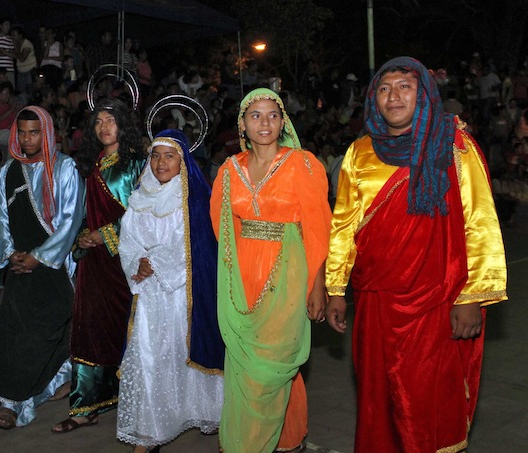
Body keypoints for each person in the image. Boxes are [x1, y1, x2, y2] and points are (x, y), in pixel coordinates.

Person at [325, 56, 508, 453]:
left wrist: (472, 297)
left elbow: (479, 221)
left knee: (425, 402)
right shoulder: (359, 152)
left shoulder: (454, 146)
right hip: (374, 301)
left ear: (423, 94)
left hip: (434, 301)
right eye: (384, 89)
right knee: (378, 399)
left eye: (404, 87)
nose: (393, 96)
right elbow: (344, 225)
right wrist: (336, 288)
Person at [209, 88, 331, 453]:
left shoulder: (303, 165)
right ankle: (288, 437)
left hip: (287, 277)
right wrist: (231, 272)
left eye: (273, 115)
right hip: (242, 279)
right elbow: (221, 224)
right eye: (256, 115)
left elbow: (318, 228)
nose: (265, 123)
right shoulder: (229, 170)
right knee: (248, 365)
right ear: (242, 125)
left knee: (270, 368)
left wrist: (318, 284)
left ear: (283, 122)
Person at [117, 130, 224, 451]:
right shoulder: (140, 196)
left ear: (183, 161)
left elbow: (193, 244)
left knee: (182, 354)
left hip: (182, 295)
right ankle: (150, 430)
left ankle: (210, 414)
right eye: (155, 156)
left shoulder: (191, 198)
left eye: (169, 156)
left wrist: (155, 262)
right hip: (148, 294)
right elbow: (128, 239)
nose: (161, 163)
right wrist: (138, 261)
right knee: (150, 357)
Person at [0, 106, 84, 429]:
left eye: (34, 133)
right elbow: (0, 216)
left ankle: (16, 404)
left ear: (47, 133)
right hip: (19, 267)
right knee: (10, 334)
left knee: (41, 336)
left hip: (54, 268)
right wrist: (10, 253)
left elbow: (71, 219)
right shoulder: (9, 171)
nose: (27, 139)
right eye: (22, 133)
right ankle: (14, 398)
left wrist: (39, 256)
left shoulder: (65, 167)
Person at [51, 96, 145, 433]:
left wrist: (104, 234)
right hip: (93, 263)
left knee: (128, 330)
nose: (104, 127)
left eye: (111, 120)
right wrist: (81, 237)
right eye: (99, 122)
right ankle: (84, 406)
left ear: (123, 124)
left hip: (126, 262)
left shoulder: (137, 164)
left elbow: (143, 213)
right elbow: (82, 212)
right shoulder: (89, 165)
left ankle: (132, 399)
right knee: (88, 327)